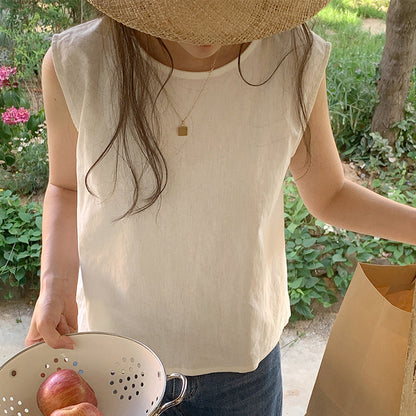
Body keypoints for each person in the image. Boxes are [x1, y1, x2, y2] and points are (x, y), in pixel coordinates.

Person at [25, 1, 416, 415]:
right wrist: (54, 281)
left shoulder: (292, 56)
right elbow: (65, 186)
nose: (206, 32)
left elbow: (330, 193)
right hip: (115, 360)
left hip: (243, 369)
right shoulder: (78, 62)